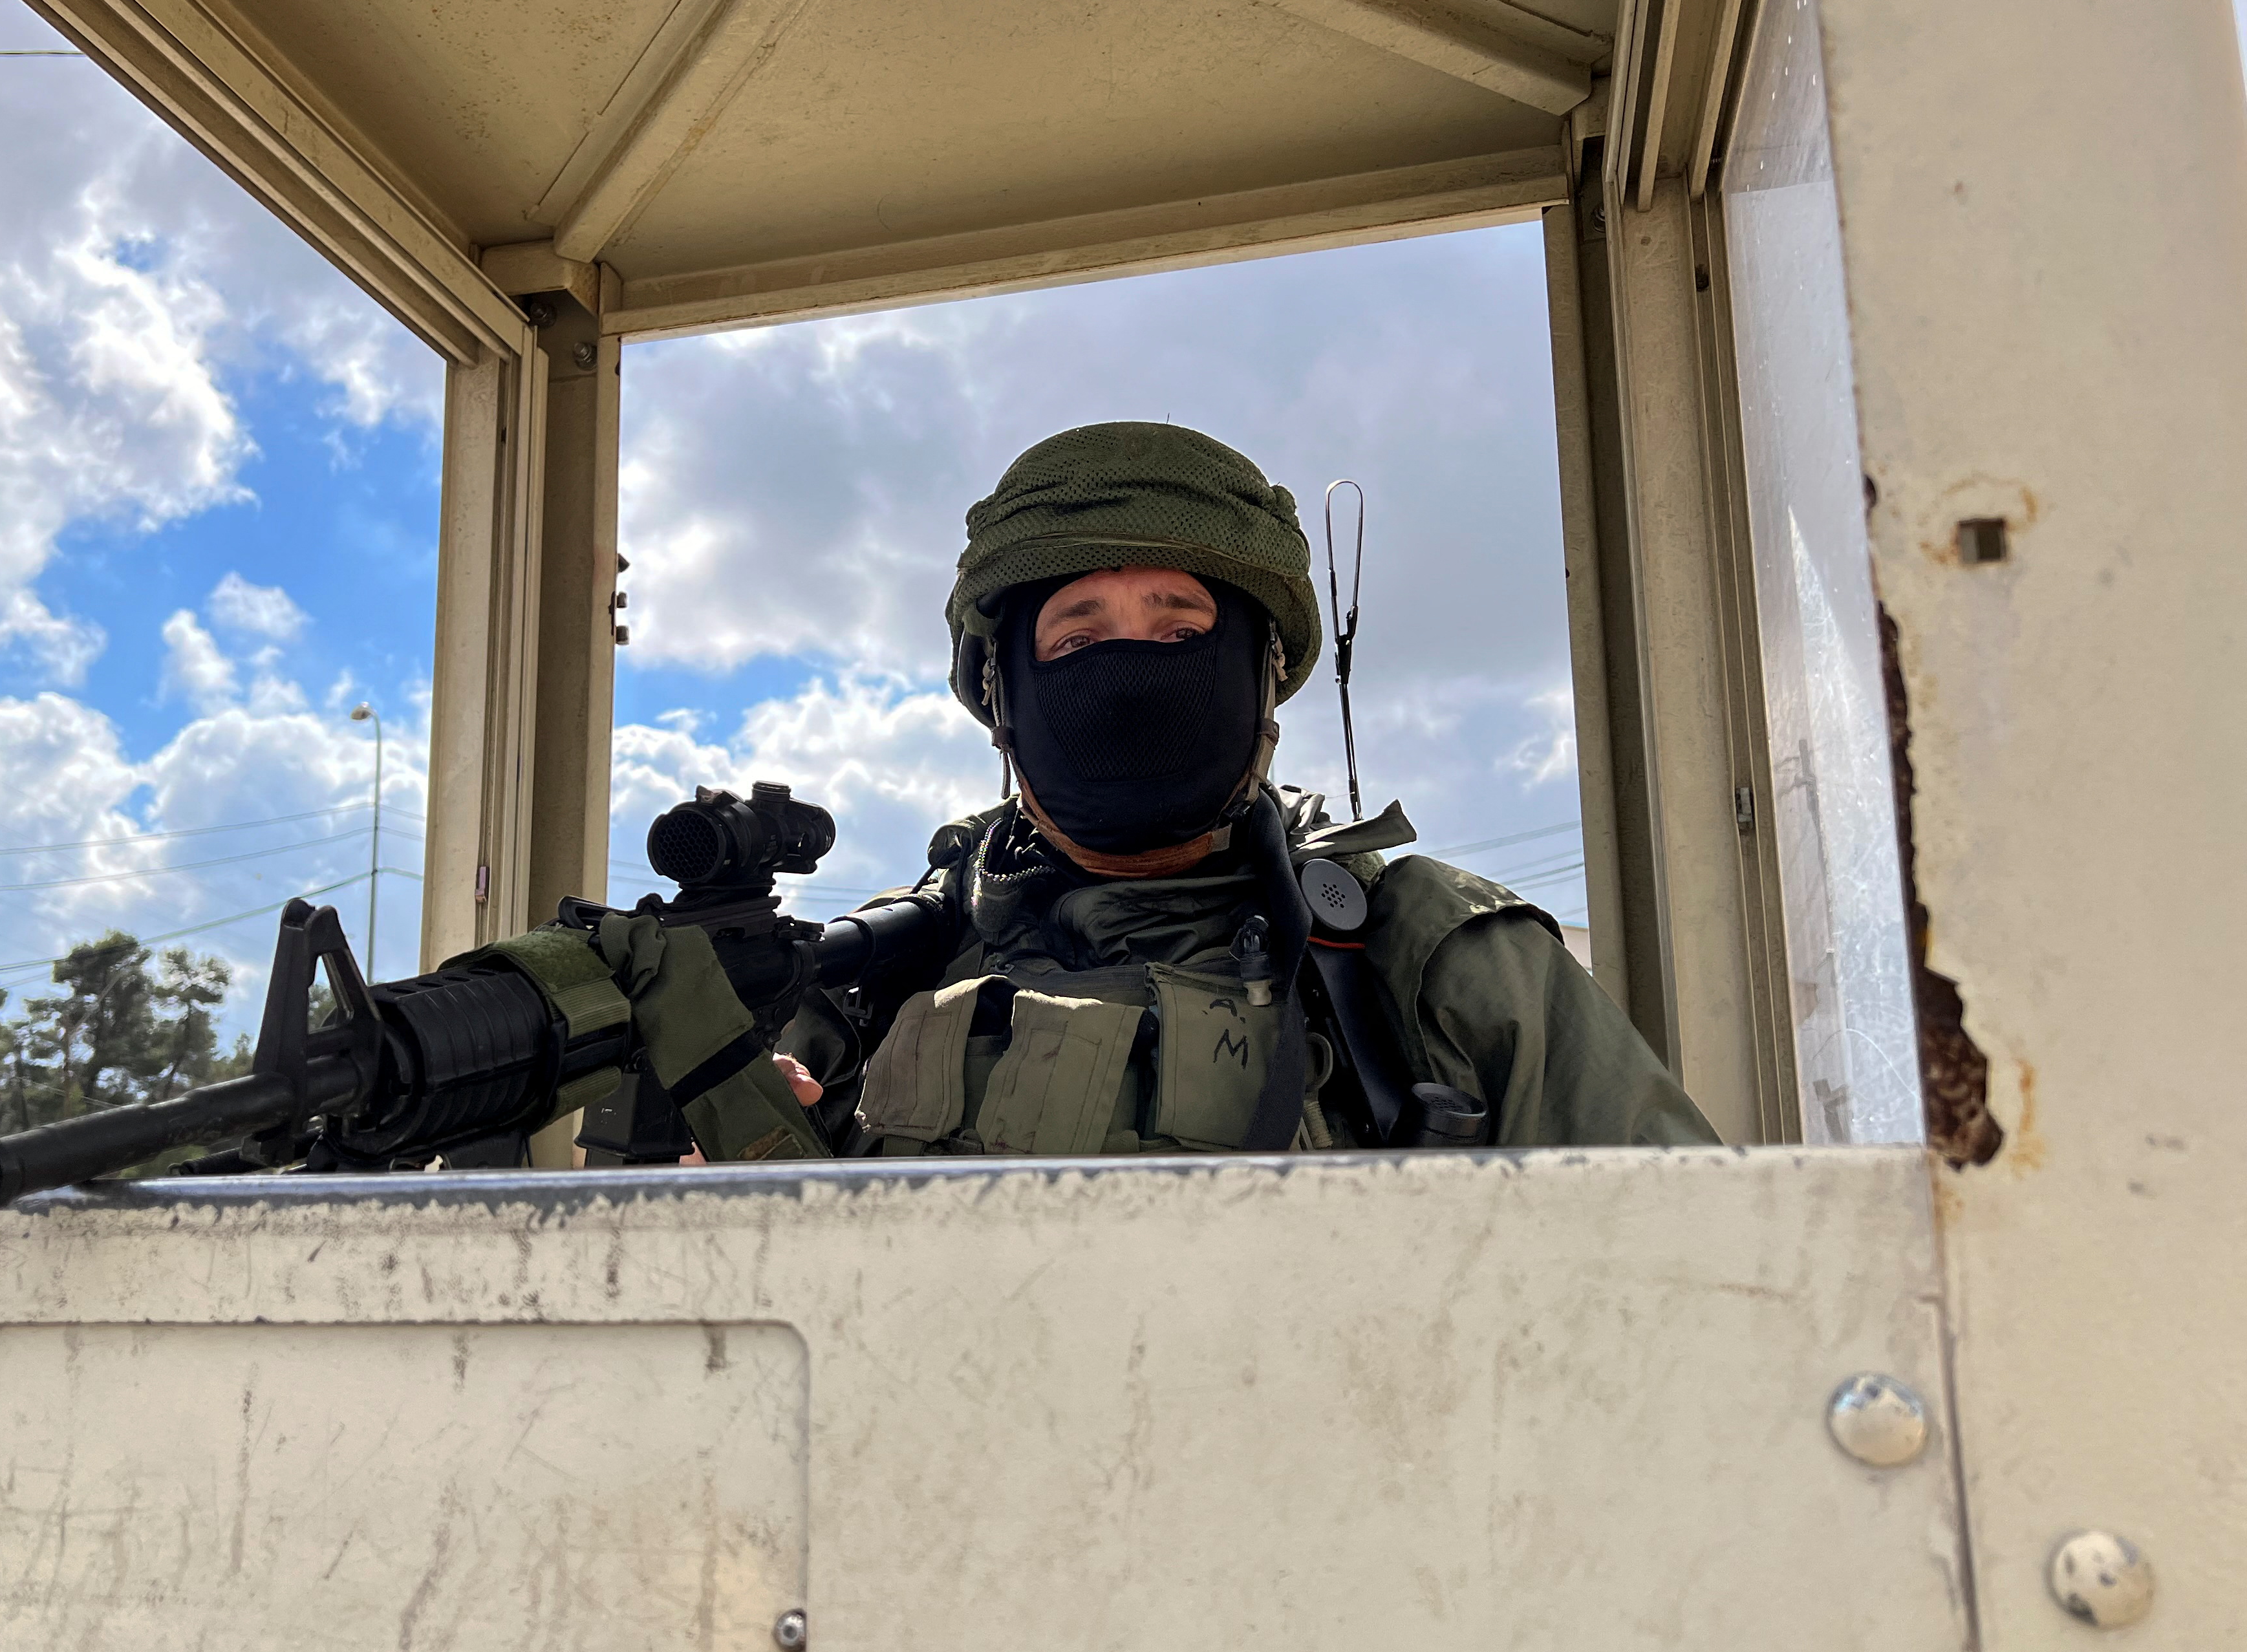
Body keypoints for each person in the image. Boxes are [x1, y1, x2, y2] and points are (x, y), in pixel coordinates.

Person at [622, 420, 1714, 1161]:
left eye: (1180, 630)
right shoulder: (871, 980)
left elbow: (1693, 1302)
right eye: (1078, 634)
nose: (1131, 673)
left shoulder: (1435, 959)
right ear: (1003, 695)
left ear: (1258, 681)